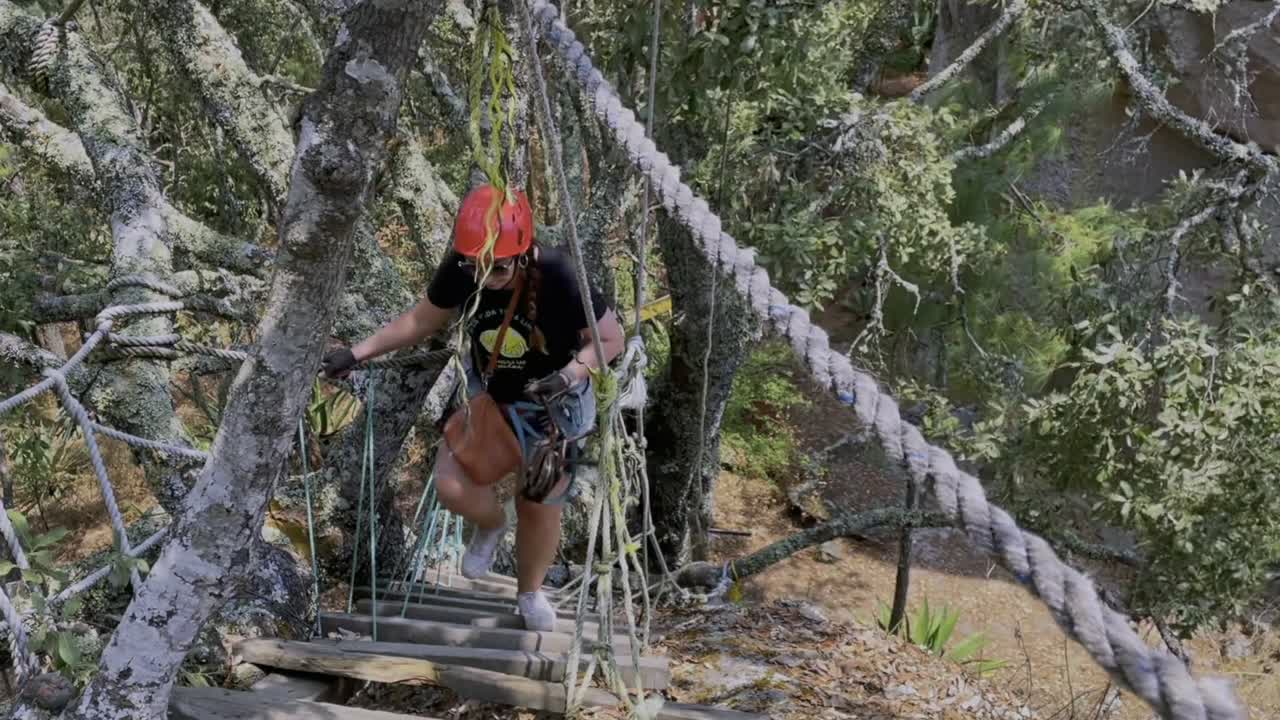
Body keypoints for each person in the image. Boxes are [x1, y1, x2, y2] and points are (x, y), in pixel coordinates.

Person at [320, 183, 625, 631]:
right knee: (450, 482)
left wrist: (570, 375)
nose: (484, 277)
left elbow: (611, 339)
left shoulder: (559, 275)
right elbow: (421, 321)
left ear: (522, 254)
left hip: (556, 403)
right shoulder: (463, 267)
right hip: (493, 398)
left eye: (497, 269)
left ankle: (529, 593)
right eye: (476, 266)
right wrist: (358, 353)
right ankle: (490, 524)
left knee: (539, 502)